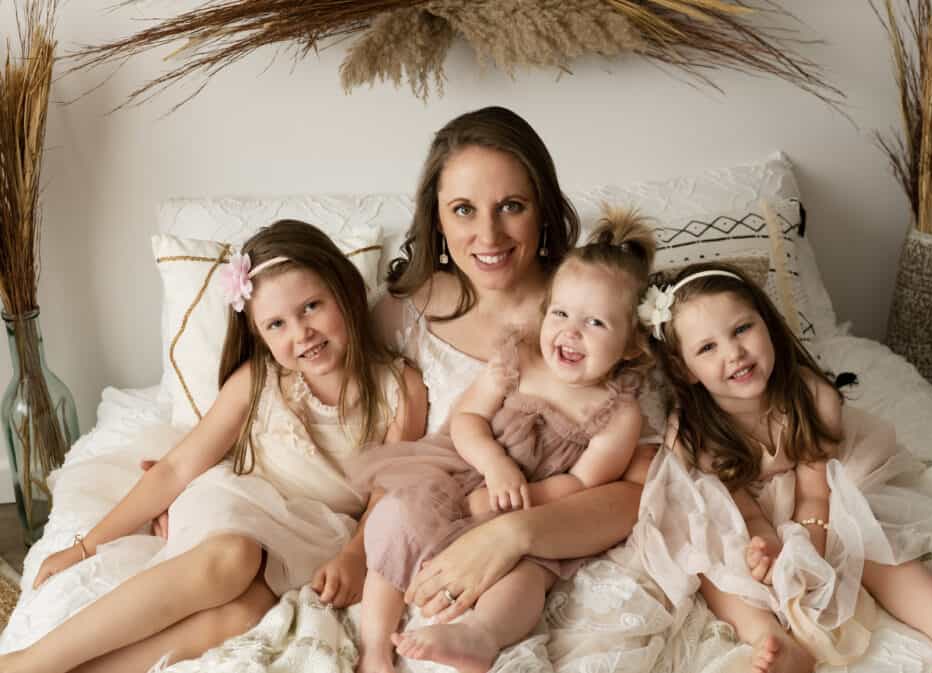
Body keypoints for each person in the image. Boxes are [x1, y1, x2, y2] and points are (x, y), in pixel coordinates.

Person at [0, 219, 427, 673]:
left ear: (344, 291)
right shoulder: (260, 380)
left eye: (312, 306)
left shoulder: (401, 391)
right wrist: (84, 547)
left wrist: (353, 555)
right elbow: (177, 467)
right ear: (259, 334)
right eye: (276, 324)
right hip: (237, 501)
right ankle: (29, 662)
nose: (300, 333)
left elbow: (388, 493)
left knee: (242, 614)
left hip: (315, 532)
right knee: (234, 558)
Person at [637, 262, 932, 673]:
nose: (735, 353)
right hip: (738, 505)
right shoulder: (694, 433)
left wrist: (806, 551)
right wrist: (765, 547)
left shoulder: (813, 400)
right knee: (709, 563)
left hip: (819, 488)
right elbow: (743, 509)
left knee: (868, 536)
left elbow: (815, 492)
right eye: (708, 348)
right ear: (685, 370)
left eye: (742, 329)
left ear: (768, 324)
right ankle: (773, 639)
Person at [372, 105, 661, 625]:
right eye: (463, 208)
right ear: (434, 213)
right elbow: (386, 452)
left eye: (511, 205)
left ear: (543, 208)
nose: (489, 235)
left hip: (547, 537)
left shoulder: (593, 302)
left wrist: (510, 534)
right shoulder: (402, 310)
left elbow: (638, 489)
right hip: (435, 522)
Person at [357, 211, 655, 673]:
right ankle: (374, 649)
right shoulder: (517, 358)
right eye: (560, 313)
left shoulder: (618, 413)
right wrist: (495, 466)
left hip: (533, 512)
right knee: (396, 519)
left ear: (633, 344)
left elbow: (581, 485)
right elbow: (468, 419)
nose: (570, 331)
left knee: (526, 581)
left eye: (595, 323)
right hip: (463, 477)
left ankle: (478, 637)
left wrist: (513, 502)